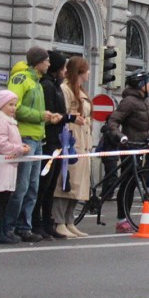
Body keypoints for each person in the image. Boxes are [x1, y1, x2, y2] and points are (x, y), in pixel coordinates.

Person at [6, 46, 58, 243]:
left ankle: (24, 226)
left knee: (33, 187)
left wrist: (47, 119)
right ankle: (10, 226)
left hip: (37, 138)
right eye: (46, 60)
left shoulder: (37, 83)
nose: (49, 63)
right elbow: (14, 106)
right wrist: (40, 116)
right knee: (22, 186)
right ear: (38, 62)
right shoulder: (21, 79)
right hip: (25, 137)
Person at [102, 69, 149, 233]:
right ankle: (121, 219)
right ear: (141, 85)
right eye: (148, 82)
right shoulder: (129, 102)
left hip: (142, 147)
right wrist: (121, 136)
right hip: (130, 147)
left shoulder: (146, 102)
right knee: (127, 184)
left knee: (132, 184)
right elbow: (113, 121)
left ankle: (124, 217)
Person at [52, 56, 92, 239]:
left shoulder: (80, 90)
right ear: (80, 72)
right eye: (87, 69)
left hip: (83, 141)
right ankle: (59, 221)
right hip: (72, 140)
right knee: (66, 181)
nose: (89, 72)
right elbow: (64, 113)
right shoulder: (65, 89)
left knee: (77, 184)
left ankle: (69, 220)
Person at [0, 90, 31, 244]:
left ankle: (3, 231)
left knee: (5, 198)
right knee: (1, 199)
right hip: (3, 164)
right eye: (10, 105)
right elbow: (0, 143)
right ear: (2, 105)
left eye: (14, 105)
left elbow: (8, 141)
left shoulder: (9, 120)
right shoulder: (1, 120)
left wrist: (20, 146)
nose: (13, 108)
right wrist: (19, 149)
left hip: (10, 163)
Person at [38, 51, 69, 239]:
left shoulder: (56, 86)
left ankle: (47, 221)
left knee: (51, 185)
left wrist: (66, 117)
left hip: (57, 140)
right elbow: (50, 113)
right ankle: (38, 221)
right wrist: (59, 118)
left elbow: (61, 112)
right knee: (44, 183)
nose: (65, 71)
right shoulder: (48, 86)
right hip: (49, 140)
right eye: (63, 67)